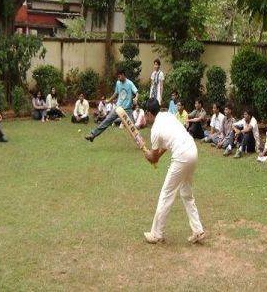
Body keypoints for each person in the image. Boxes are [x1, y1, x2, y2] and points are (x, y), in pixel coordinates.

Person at [142, 98, 205, 244]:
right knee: (186, 193)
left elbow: (154, 158)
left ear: (148, 113)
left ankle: (156, 234)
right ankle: (198, 230)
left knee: (166, 193)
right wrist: (151, 155)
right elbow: (164, 147)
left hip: (181, 156)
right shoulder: (168, 115)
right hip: (193, 151)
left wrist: (146, 153)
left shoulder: (155, 130)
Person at [85, 69, 138, 142]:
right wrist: (109, 100)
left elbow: (137, 92)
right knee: (106, 120)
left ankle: (139, 142)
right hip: (118, 108)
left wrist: (136, 98)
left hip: (128, 110)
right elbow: (116, 93)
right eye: (117, 77)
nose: (118, 79)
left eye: (119, 77)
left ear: (123, 75)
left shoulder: (130, 83)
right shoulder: (118, 83)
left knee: (133, 127)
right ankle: (93, 135)